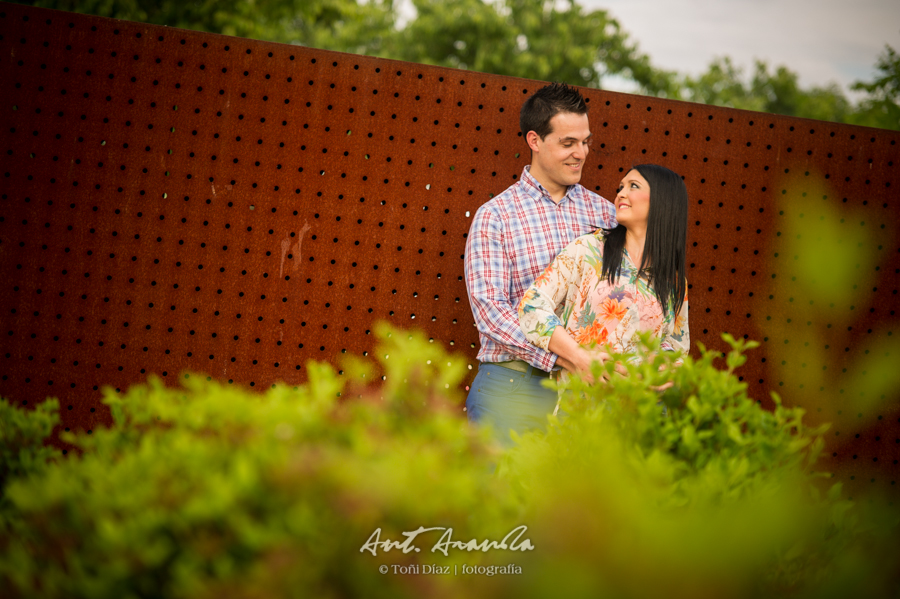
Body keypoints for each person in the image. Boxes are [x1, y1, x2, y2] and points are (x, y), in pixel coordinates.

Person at [463, 82, 617, 445]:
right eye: (568, 143)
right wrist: (565, 357)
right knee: (499, 499)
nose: (581, 153)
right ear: (534, 140)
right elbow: (490, 311)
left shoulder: (608, 215)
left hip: (589, 394)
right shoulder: (496, 216)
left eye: (585, 142)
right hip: (514, 387)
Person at [518, 164, 689, 397]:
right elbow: (532, 305)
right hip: (581, 404)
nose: (620, 194)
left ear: (664, 200)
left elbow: (674, 345)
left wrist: (666, 370)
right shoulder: (589, 250)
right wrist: (579, 357)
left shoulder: (673, 281)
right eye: (621, 187)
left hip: (640, 410)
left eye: (634, 186)